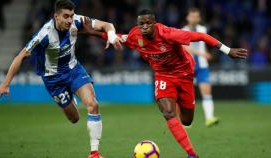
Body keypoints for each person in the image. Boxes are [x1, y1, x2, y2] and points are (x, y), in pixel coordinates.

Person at [89, 9, 247, 158]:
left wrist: (228, 51)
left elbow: (201, 36)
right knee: (168, 113)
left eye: (148, 23)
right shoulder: (135, 36)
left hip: (184, 75)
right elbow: (116, 36)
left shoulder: (169, 34)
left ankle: (176, 103)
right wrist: (86, 30)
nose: (144, 27)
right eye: (141, 24)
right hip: (163, 76)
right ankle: (192, 154)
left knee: (186, 120)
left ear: (154, 23)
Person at [0, 0, 122, 158]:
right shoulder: (44, 34)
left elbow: (107, 25)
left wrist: (112, 35)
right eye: (65, 16)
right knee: (74, 118)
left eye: (71, 16)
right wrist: (5, 83)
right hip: (53, 79)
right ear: (56, 16)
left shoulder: (77, 21)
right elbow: (21, 55)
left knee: (93, 105)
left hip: (73, 69)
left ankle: (94, 153)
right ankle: (70, 98)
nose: (69, 20)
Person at [182, 8, 219, 127]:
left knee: (207, 91)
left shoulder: (203, 29)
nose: (194, 19)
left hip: (202, 65)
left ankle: (209, 118)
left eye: (196, 16)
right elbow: (183, 47)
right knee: (185, 95)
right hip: (187, 65)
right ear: (187, 18)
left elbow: (204, 45)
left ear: (199, 18)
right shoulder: (183, 31)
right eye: (192, 16)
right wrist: (200, 53)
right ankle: (185, 121)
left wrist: (206, 54)